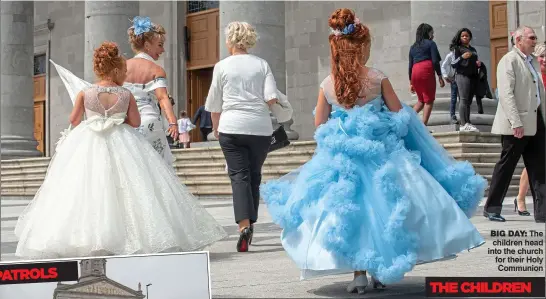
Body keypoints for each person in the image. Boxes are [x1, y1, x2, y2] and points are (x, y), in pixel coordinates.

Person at [260, 8, 486, 294]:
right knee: (386, 208)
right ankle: (381, 268)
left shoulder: (328, 84)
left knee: (351, 212)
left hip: (343, 157)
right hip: (382, 153)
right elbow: (400, 117)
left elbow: (320, 125)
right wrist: (381, 124)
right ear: (362, 47)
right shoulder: (378, 77)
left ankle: (359, 275)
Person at [14, 42, 227, 259]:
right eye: (124, 70)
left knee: (86, 187)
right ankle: (134, 237)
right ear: (116, 70)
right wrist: (119, 118)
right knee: (131, 187)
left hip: (89, 141)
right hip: (123, 140)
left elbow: (74, 119)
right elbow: (135, 122)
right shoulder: (125, 95)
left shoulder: (85, 93)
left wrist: (93, 119)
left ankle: (86, 238)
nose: (126, 74)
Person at [205, 21, 279, 252]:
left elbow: (215, 103)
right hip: (260, 128)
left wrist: (216, 129)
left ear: (230, 41)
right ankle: (251, 224)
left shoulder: (222, 66)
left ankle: (244, 226)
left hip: (231, 126)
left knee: (239, 177)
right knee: (254, 176)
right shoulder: (262, 64)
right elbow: (271, 98)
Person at [484, 26, 545, 223]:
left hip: (536, 121)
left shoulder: (533, 62)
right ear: (518, 40)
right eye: (531, 38)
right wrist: (515, 122)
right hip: (516, 123)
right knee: (507, 165)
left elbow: (539, 95)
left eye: (535, 38)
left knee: (539, 168)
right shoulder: (509, 60)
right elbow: (506, 94)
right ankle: (492, 207)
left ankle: (543, 213)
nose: (535, 41)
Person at [124, 16, 178, 164]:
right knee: (158, 170)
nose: (163, 50)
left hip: (126, 125)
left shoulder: (121, 67)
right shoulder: (156, 69)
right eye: (160, 45)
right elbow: (162, 98)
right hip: (149, 123)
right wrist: (173, 122)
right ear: (147, 45)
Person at [512, 41, 546, 217]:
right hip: (534, 123)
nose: (545, 60)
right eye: (542, 56)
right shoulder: (532, 74)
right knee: (533, 163)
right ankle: (520, 198)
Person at [409, 23, 445, 125]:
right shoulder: (431, 43)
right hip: (426, 69)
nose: (433, 35)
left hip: (415, 71)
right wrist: (439, 76)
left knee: (421, 100)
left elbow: (410, 65)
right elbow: (435, 61)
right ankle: (423, 127)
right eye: (432, 33)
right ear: (427, 33)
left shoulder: (413, 47)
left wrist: (411, 82)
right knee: (429, 100)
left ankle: (406, 120)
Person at [450, 28, 481, 132]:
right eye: (462, 36)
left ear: (470, 37)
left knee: (468, 101)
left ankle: (468, 122)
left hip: (473, 76)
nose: (465, 37)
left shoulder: (473, 49)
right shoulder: (458, 48)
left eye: (467, 36)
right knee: (463, 99)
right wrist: (462, 57)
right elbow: (453, 64)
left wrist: (478, 64)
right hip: (462, 75)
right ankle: (463, 124)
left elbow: (475, 61)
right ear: (459, 37)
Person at [441, 51, 459, 124]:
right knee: (454, 98)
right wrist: (445, 76)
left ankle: (465, 117)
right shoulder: (451, 55)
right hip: (454, 79)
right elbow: (443, 66)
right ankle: (452, 115)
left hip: (463, 78)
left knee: (464, 98)